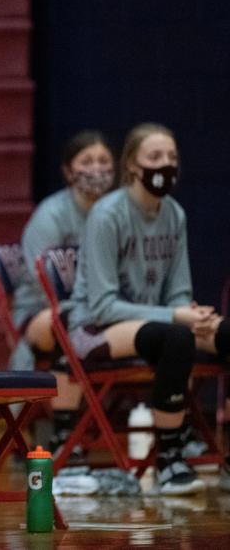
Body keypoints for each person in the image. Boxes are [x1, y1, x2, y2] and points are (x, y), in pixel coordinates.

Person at [66, 122, 230, 495]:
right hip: (94, 328)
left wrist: (190, 314)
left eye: (172, 157)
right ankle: (170, 459)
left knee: (223, 332)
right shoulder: (107, 215)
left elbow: (178, 292)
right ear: (133, 167)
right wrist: (176, 316)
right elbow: (104, 306)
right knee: (175, 337)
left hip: (157, 324)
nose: (166, 165)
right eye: (155, 157)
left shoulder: (174, 214)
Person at [8, 130, 115, 456]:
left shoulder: (115, 212)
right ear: (69, 171)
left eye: (104, 161)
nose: (96, 169)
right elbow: (44, 286)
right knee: (66, 323)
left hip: (98, 309)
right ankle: (64, 433)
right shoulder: (50, 216)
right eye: (87, 161)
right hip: (40, 311)